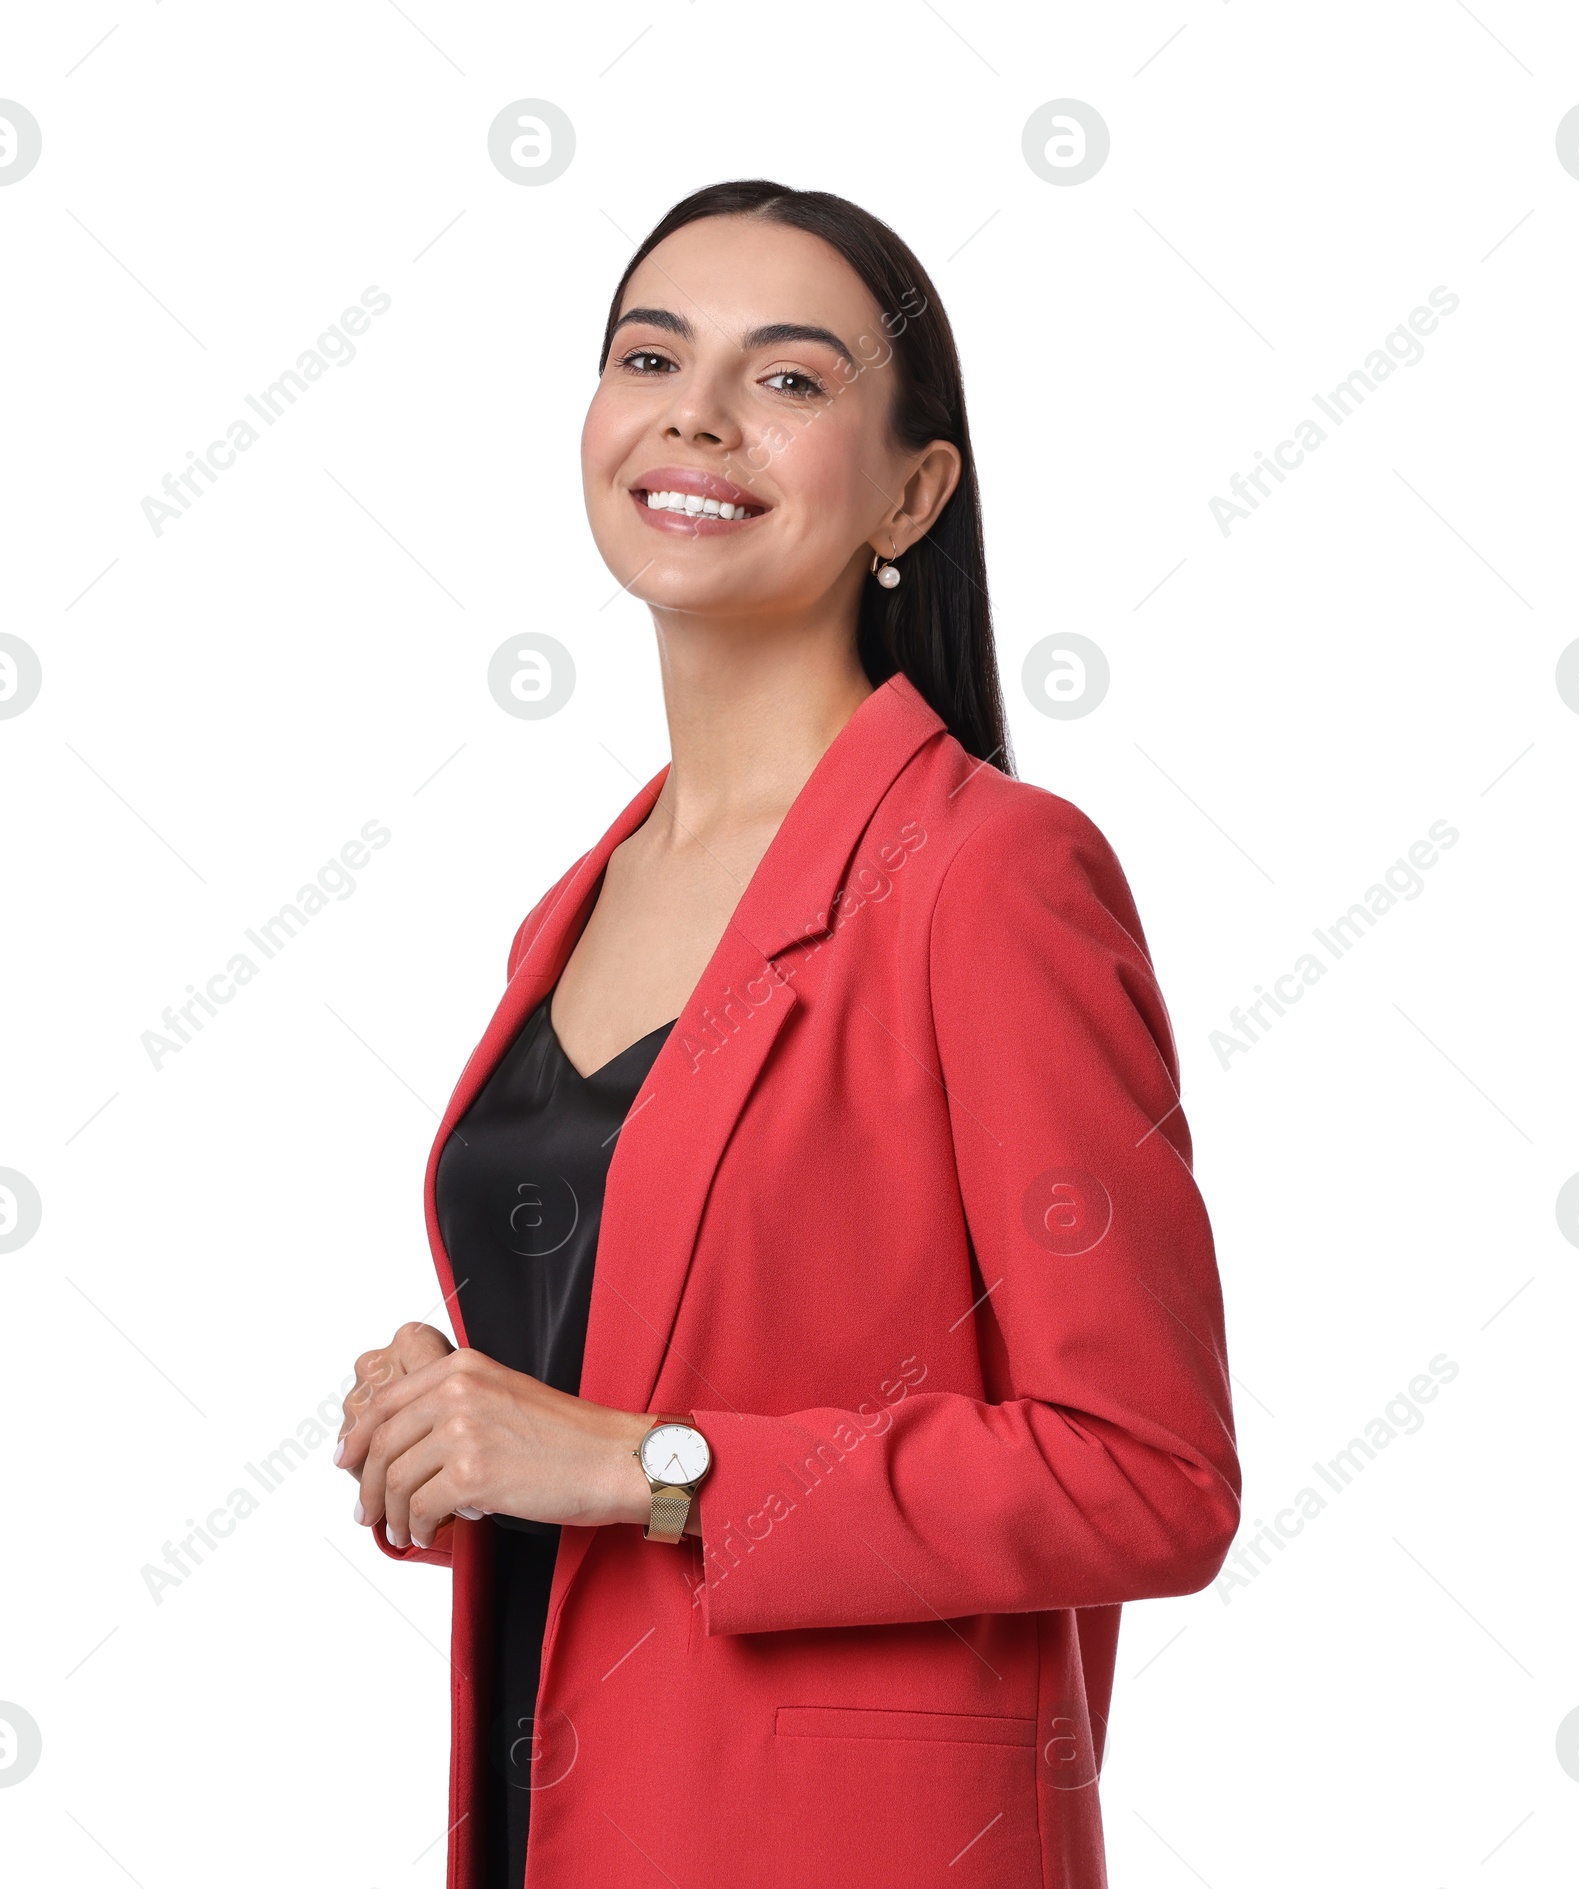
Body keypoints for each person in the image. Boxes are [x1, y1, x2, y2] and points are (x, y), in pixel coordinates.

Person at [335, 179, 1240, 1889]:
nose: (696, 408)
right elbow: (641, 1406)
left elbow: (1151, 1476)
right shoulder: (578, 902)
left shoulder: (990, 875)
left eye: (791, 378)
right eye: (650, 353)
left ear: (914, 488)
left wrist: (642, 1463)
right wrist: (464, 1427)